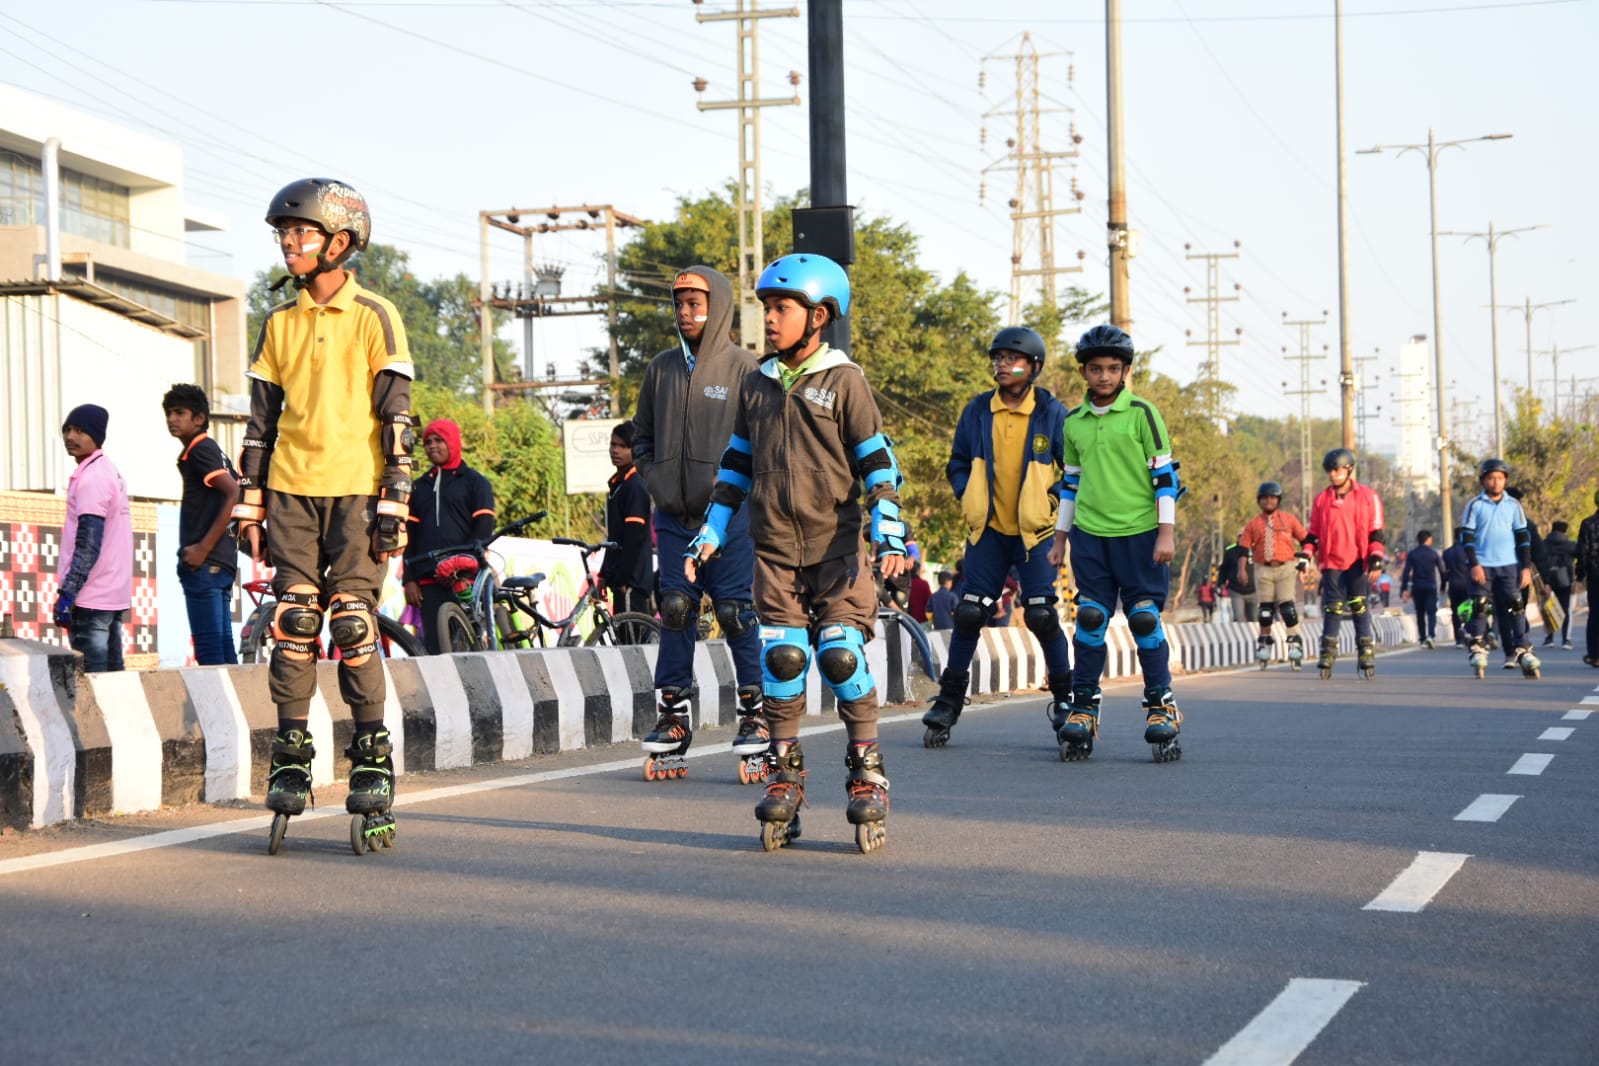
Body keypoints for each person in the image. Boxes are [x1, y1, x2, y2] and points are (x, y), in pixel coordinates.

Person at [687, 252, 908, 852]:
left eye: (782, 307)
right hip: (776, 551)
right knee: (783, 661)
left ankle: (867, 774)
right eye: (766, 307)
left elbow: (877, 461)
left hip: (837, 552)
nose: (770, 318)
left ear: (819, 316)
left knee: (840, 657)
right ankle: (785, 775)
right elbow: (736, 463)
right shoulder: (756, 383)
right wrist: (712, 529)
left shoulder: (844, 380)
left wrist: (888, 527)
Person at [234, 178, 414, 848]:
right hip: (290, 491)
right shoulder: (279, 322)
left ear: (340, 241)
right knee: (294, 622)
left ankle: (371, 756)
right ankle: (291, 754)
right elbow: (260, 425)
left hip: (358, 491)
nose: (289, 243)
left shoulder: (374, 315)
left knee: (353, 622)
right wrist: (249, 502)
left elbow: (396, 418)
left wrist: (396, 498)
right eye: (284, 233)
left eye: (301, 232)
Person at [632, 265, 765, 782]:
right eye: (680, 304)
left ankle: (755, 714)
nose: (685, 313)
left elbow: (763, 443)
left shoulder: (745, 368)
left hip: (730, 516)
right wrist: (656, 480)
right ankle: (673, 716)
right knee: (676, 608)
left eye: (696, 304)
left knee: (734, 611)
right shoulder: (660, 369)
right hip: (673, 515)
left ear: (719, 308)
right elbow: (642, 438)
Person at [920, 326, 1074, 746]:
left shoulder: (1051, 413)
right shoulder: (977, 411)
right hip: (987, 531)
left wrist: (1051, 502)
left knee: (1041, 614)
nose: (1003, 365)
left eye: (1012, 359)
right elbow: (957, 463)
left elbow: (1074, 469)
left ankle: (1066, 700)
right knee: (970, 612)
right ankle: (948, 701)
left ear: (1034, 367)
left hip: (1035, 533)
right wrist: (967, 494)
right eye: (998, 358)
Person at [1045, 323, 1184, 763]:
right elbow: (1070, 483)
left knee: (1143, 618)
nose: (1104, 376)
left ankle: (1161, 705)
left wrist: (1166, 531)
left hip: (1141, 535)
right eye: (1095, 368)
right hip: (1090, 536)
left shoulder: (1143, 414)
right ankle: (1084, 707)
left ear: (1125, 371)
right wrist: (1059, 539)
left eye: (1112, 368)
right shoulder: (1073, 422)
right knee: (1089, 618)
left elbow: (1164, 477)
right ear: (1083, 372)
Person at [402, 418, 495, 655]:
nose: (433, 446)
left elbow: (484, 526)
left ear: (453, 442)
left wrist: (462, 564)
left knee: (470, 646)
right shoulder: (419, 487)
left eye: (439, 440)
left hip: (465, 578)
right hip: (428, 582)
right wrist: (409, 579)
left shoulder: (476, 483)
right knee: (435, 649)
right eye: (428, 442)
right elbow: (409, 536)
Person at [163, 384, 241, 665]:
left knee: (210, 658)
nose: (172, 419)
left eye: (179, 412)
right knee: (223, 655)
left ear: (199, 418)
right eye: (169, 413)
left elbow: (234, 494)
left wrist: (202, 548)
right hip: (220, 563)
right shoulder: (212, 450)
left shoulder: (201, 450)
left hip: (206, 563)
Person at [53, 403, 132, 673]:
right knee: (113, 677)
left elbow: (88, 544)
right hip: (111, 595)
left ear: (96, 436)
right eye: (67, 430)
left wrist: (68, 594)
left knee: (92, 679)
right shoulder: (108, 470)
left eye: (80, 431)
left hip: (90, 598)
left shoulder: (92, 478)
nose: (70, 437)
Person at [1302, 447, 1386, 679]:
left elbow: (1376, 531)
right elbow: (1313, 534)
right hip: (1332, 562)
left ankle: (1365, 651)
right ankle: (1327, 653)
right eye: (1330, 471)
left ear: (1349, 469)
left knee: (1359, 605)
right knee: (1333, 608)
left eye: (1337, 470)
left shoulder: (1368, 497)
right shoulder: (1322, 500)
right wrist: (1305, 557)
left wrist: (1376, 560)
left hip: (1359, 561)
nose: (1333, 474)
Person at [1459, 458, 1539, 678]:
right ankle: (1477, 646)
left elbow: (1523, 537)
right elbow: (1467, 537)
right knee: (1480, 605)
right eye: (1491, 478)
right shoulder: (1475, 505)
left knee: (1516, 605)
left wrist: (1525, 567)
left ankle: (1523, 648)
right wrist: (1474, 564)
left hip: (1509, 565)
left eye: (1500, 478)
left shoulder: (1513, 505)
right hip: (1483, 566)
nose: (1495, 482)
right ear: (1483, 480)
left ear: (1505, 480)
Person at [1237, 481, 1312, 667]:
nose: (1268, 501)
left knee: (1287, 608)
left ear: (1278, 500)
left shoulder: (1289, 520)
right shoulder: (1253, 524)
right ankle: (1264, 644)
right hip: (1263, 568)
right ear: (1259, 501)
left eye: (1272, 498)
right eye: (1265, 498)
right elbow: (1243, 549)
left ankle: (1294, 643)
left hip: (1286, 567)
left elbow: (1306, 540)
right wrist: (1241, 569)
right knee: (1265, 611)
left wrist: (1306, 560)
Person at [596, 421, 654, 619]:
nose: (615, 450)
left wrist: (622, 579)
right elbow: (614, 538)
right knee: (622, 635)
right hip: (620, 582)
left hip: (631, 584)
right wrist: (604, 574)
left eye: (623, 446)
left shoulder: (635, 485)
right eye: (613, 444)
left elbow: (634, 537)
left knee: (632, 637)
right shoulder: (618, 485)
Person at [1400, 529, 1446, 649]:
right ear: (1429, 539)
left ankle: (1422, 638)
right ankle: (1431, 636)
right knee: (1431, 612)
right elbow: (1442, 571)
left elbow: (1406, 572)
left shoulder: (1412, 554)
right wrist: (1443, 586)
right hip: (1430, 586)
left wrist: (1404, 588)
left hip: (1417, 586)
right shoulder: (1433, 553)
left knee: (1420, 613)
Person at [1540, 519, 1575, 649]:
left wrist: (1543, 581)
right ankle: (1566, 640)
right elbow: (1581, 556)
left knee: (1548, 608)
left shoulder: (1544, 544)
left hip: (1547, 580)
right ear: (1565, 531)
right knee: (1566, 609)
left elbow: (1538, 560)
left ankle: (1549, 638)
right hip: (1565, 580)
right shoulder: (1571, 545)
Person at [1576, 490, 1599, 666]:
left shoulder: (1588, 523)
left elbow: (1583, 552)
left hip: (1595, 575)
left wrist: (1580, 575)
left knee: (1595, 615)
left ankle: (1595, 655)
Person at [1442, 526, 1474, 647]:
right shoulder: (1468, 551)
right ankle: (1467, 631)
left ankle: (1458, 639)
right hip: (1467, 585)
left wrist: (1443, 585)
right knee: (1468, 610)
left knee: (1455, 612)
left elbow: (1445, 572)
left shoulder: (1447, 552)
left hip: (1453, 585)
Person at [1220, 537, 1256, 625]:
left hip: (1254, 590)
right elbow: (1224, 568)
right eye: (1241, 536)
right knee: (1239, 618)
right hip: (1236, 590)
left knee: (1254, 618)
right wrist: (1221, 582)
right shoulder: (1230, 551)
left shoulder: (1256, 550)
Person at [905, 559, 932, 626]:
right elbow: (929, 600)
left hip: (907, 618)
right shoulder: (924, 584)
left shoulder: (905, 584)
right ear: (918, 571)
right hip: (922, 619)